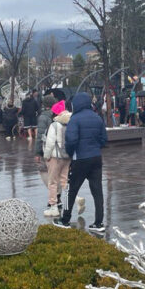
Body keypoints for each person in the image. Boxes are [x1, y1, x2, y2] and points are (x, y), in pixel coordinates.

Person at [54, 92, 108, 232]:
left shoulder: (75, 119)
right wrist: (95, 148)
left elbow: (71, 141)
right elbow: (104, 139)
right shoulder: (97, 118)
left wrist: (71, 153)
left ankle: (64, 220)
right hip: (96, 158)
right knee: (97, 191)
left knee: (70, 190)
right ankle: (98, 223)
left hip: (80, 159)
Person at [43, 101, 75, 217]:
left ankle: (53, 207)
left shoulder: (55, 125)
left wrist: (46, 156)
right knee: (64, 182)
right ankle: (70, 204)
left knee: (52, 182)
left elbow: (50, 143)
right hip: (67, 157)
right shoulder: (72, 122)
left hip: (55, 157)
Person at [35, 95, 58, 164]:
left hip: (49, 149)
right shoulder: (59, 114)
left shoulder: (43, 117)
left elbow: (40, 136)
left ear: (44, 104)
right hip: (61, 150)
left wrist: (38, 153)